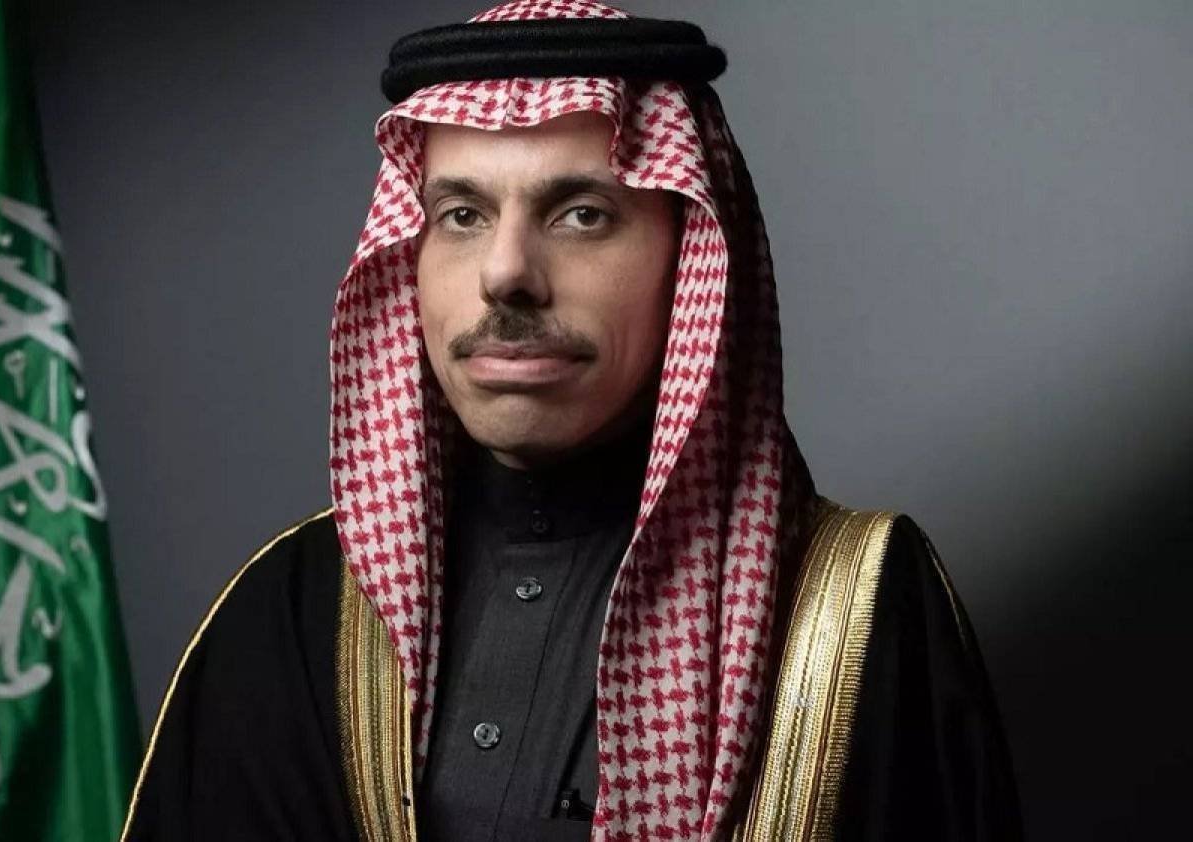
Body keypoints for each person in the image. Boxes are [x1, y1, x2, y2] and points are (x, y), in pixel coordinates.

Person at [120, 2, 1021, 840]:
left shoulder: (859, 608)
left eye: (582, 215)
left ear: (691, 258)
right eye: (462, 215)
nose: (506, 272)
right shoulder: (290, 612)